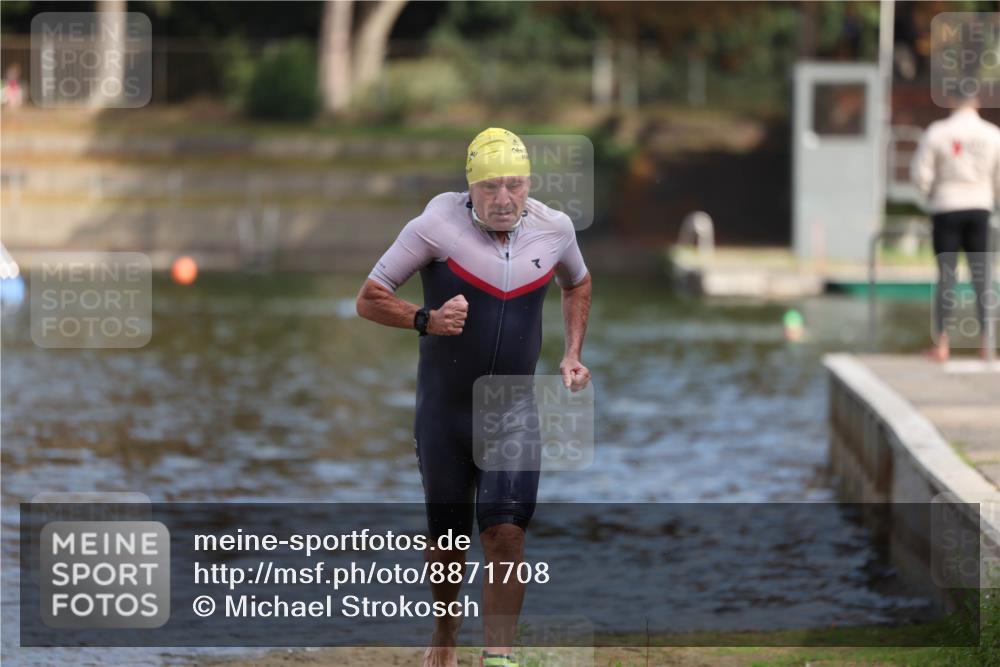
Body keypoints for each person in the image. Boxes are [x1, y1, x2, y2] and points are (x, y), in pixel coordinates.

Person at [356, 128, 592, 667]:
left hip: (512, 414)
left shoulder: (554, 229)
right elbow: (369, 298)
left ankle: (499, 658)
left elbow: (577, 283)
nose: (504, 198)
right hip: (445, 414)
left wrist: (571, 352)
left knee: (506, 533)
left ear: (529, 183)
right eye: (491, 187)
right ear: (471, 187)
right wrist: (427, 319)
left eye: (515, 185)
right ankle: (444, 634)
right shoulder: (435, 226)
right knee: (448, 544)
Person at [911, 92, 999, 361]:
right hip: (980, 208)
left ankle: (942, 345)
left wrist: (930, 195)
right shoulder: (992, 134)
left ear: (951, 101)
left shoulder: (938, 132)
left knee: (946, 277)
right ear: (977, 102)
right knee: (982, 277)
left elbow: (920, 173)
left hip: (946, 207)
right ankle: (987, 344)